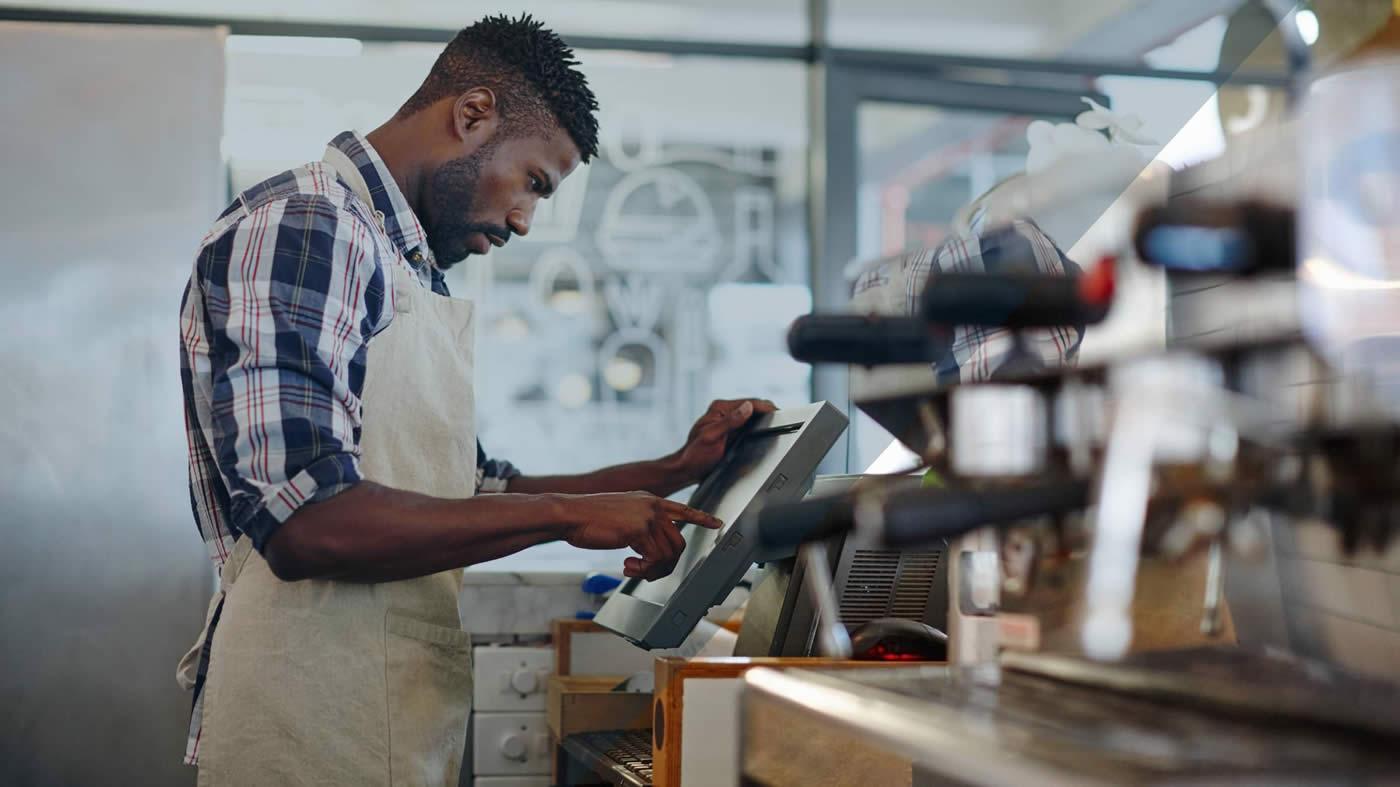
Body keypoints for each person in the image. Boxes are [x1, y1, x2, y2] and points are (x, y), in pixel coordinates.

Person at [175, 14, 773, 786]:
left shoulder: (404, 264)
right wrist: (564, 517)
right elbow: (306, 521)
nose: (526, 219)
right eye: (534, 182)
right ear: (472, 115)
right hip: (304, 718)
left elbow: (476, 489)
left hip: (379, 715)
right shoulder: (307, 226)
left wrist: (675, 467)